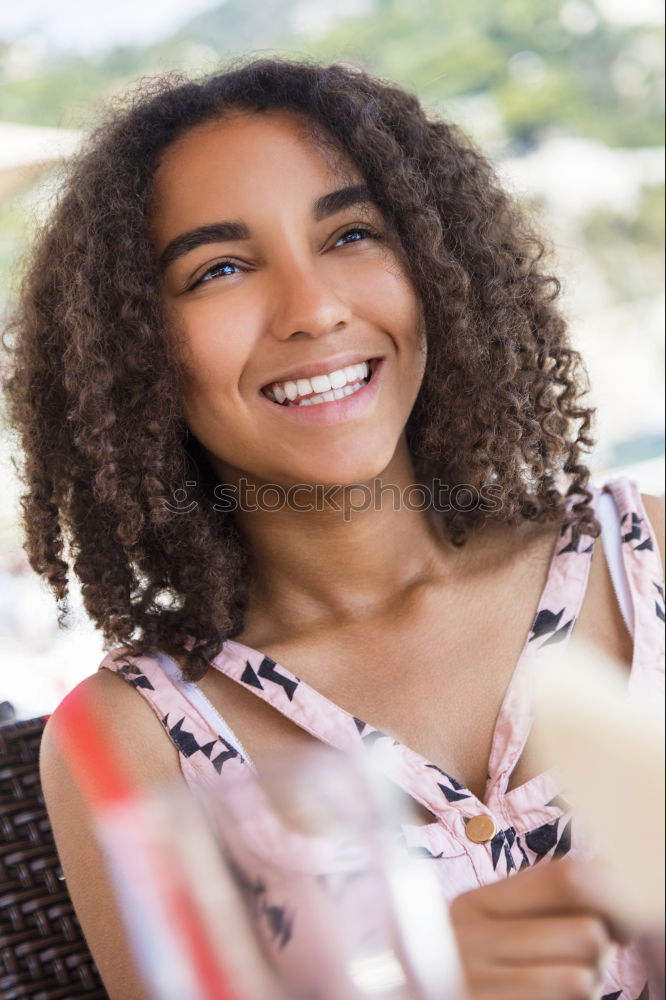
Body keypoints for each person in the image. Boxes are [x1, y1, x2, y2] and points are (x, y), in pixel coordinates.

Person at [4, 57, 664, 1000]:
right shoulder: (135, 741)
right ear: (133, 345)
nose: (314, 309)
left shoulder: (649, 565)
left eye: (352, 233)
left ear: (438, 269)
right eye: (220, 268)